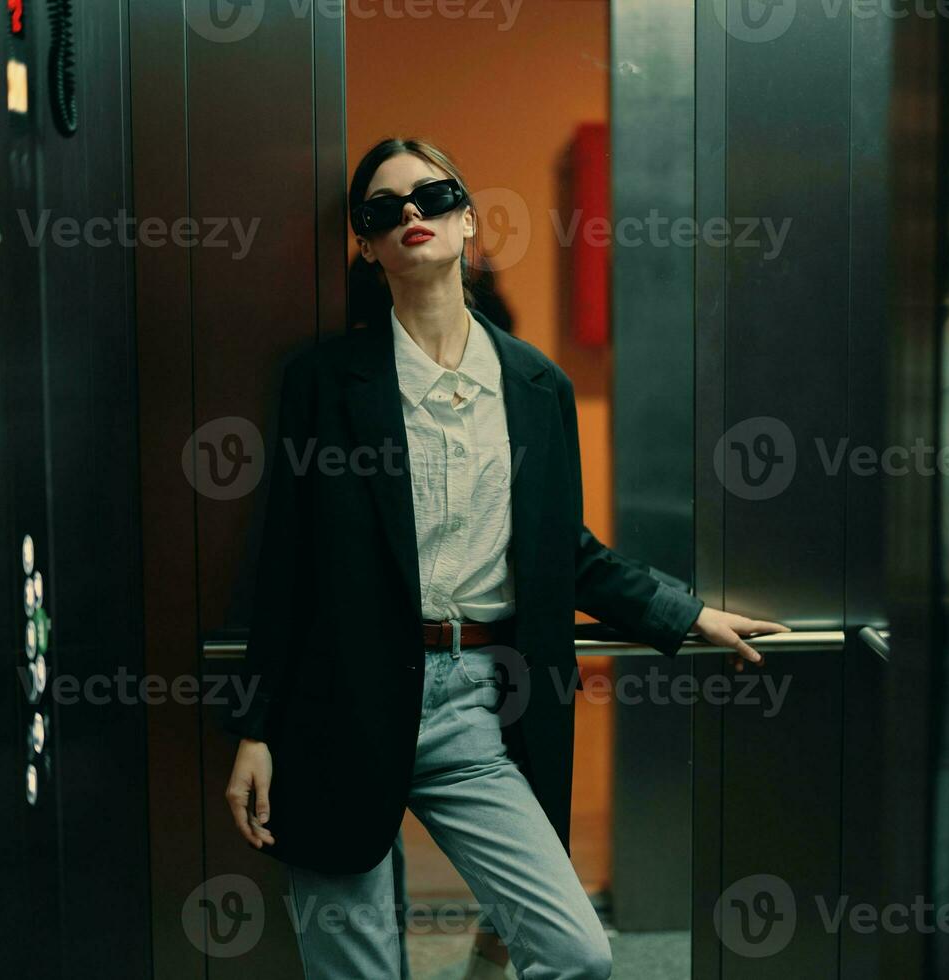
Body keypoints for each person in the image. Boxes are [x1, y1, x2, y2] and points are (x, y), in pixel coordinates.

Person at [224, 136, 785, 980]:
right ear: (369, 246)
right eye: (383, 209)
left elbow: (565, 552)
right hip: (335, 704)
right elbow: (285, 563)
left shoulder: (535, 386)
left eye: (431, 196)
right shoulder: (323, 383)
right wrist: (255, 729)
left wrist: (689, 612)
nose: (411, 214)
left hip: (472, 707)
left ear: (468, 222)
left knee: (576, 952)